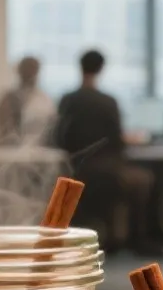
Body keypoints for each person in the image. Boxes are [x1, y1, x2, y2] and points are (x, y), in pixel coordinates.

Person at [54, 50, 153, 248]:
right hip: (109, 172)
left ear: (80, 67)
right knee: (146, 179)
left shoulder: (66, 100)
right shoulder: (108, 102)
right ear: (101, 69)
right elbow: (117, 142)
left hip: (76, 171)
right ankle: (140, 241)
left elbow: (60, 138)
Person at [0, 55, 55, 144]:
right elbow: (4, 130)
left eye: (34, 69)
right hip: (16, 147)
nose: (31, 74)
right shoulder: (8, 98)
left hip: (43, 146)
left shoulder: (44, 98)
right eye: (28, 69)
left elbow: (53, 125)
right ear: (20, 71)